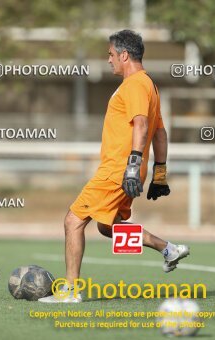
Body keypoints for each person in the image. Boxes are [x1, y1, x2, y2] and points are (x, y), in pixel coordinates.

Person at [39, 30, 189, 303]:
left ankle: (70, 292)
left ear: (124, 55)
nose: (108, 60)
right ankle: (168, 249)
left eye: (110, 54)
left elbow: (144, 126)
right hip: (128, 169)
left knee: (73, 221)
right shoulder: (149, 86)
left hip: (119, 169)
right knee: (108, 227)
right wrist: (159, 175)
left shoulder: (135, 85)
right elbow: (160, 134)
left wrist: (132, 165)